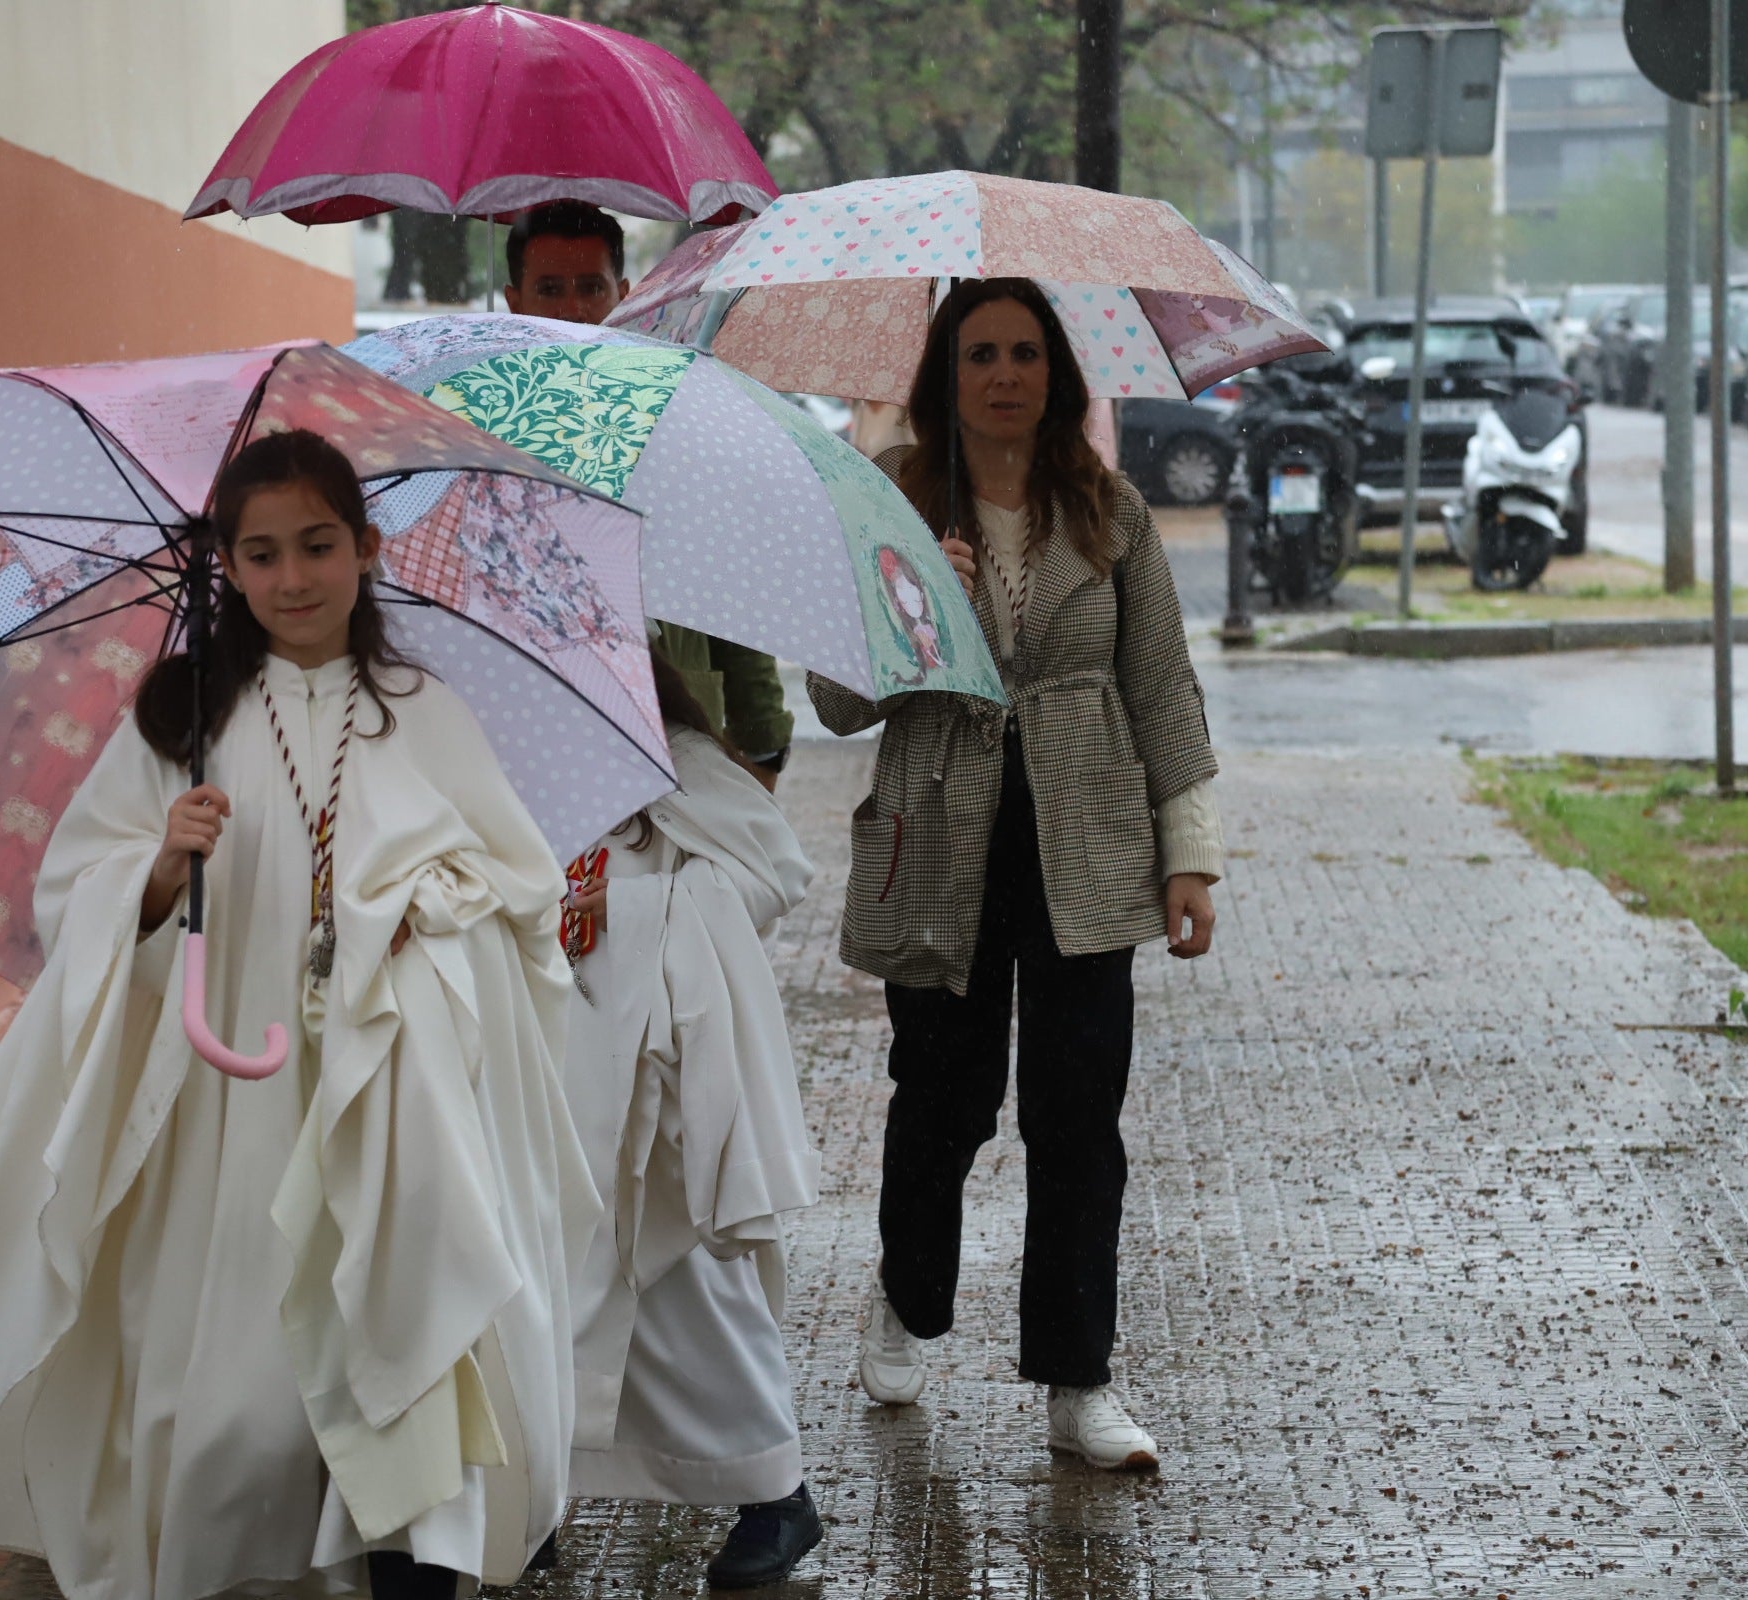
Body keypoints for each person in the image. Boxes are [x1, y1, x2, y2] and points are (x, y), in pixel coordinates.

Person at [0, 430, 599, 1600]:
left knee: (402, 1360)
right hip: (234, 1103)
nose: (293, 578)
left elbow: (517, 887)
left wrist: (430, 907)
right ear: (228, 567)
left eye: (318, 545)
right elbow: (82, 897)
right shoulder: (184, 723)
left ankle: (411, 1557)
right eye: (260, 554)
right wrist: (162, 867)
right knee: (246, 1402)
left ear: (367, 549)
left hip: (395, 1102)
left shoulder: (425, 711)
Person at [807, 278, 1223, 1473]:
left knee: (1078, 1117)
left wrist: (1188, 852)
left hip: (1086, 846)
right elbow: (838, 702)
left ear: (1058, 374)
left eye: (1026, 353)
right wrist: (914, 613)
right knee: (943, 1100)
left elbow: (1162, 687)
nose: (1004, 374)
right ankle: (908, 1295)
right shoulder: (895, 501)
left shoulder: (1112, 510)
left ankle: (1078, 1382)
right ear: (949, 374)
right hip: (940, 843)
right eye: (980, 352)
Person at [554, 646, 823, 1589]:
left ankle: (774, 1488)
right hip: (553, 1066)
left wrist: (632, 909)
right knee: (547, 1283)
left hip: (654, 1080)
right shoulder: (526, 768)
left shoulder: (683, 764)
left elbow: (775, 873)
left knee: (688, 1289)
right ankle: (539, 1484)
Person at [504, 200, 795, 785]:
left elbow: (729, 599)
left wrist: (762, 748)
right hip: (528, 749)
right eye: (550, 288)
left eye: (591, 287)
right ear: (514, 300)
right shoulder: (478, 434)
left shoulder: (677, 423)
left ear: (624, 294)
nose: (573, 310)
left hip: (676, 750)